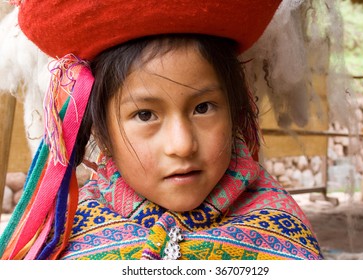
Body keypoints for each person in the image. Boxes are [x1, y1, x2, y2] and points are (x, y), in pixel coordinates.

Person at [0, 0, 323, 260]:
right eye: (144, 115)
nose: (181, 146)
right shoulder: (68, 239)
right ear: (100, 132)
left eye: (203, 108)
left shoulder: (280, 234)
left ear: (238, 113)